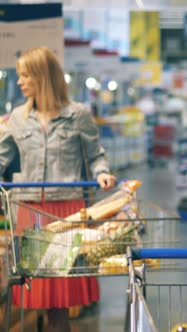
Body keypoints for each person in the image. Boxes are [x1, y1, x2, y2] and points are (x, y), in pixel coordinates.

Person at [0, 46, 117, 332]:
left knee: (60, 295)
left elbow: (95, 154)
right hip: (29, 210)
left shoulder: (78, 116)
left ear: (43, 77)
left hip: (66, 212)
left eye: (25, 75)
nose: (19, 82)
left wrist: (103, 174)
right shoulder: (16, 118)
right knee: (36, 289)